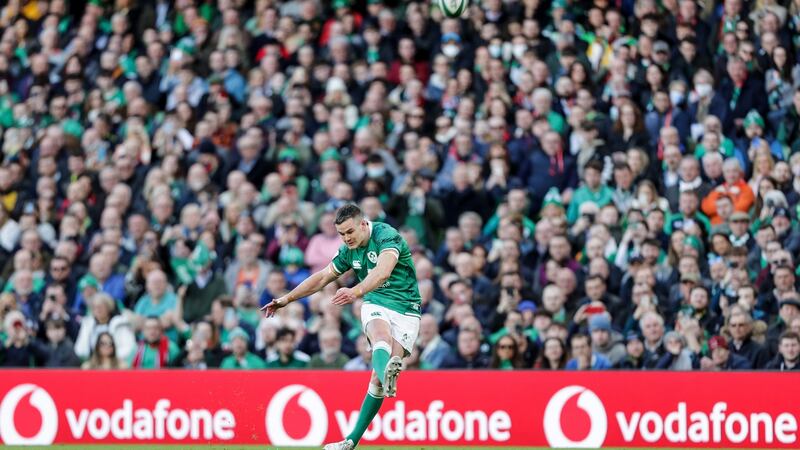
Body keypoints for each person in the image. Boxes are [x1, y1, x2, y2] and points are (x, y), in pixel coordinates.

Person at [261, 204, 421, 450]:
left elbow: (382, 272)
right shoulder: (348, 250)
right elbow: (323, 277)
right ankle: (383, 378)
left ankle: (353, 436)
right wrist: (286, 299)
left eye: (350, 232)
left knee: (377, 382)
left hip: (407, 308)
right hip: (376, 301)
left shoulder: (386, 236)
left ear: (363, 224)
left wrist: (354, 291)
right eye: (342, 234)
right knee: (380, 335)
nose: (346, 238)